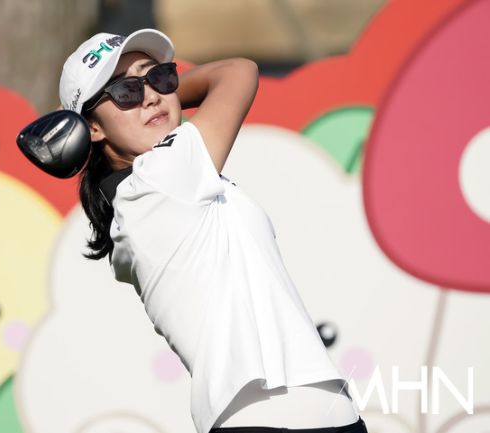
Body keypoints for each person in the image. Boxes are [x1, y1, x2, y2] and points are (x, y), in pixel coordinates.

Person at [58, 29, 369, 433]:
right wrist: (165, 92)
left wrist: (146, 93)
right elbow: (237, 72)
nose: (150, 97)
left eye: (158, 77)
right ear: (93, 129)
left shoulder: (150, 191)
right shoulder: (157, 179)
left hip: (327, 412)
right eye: (124, 92)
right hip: (262, 421)